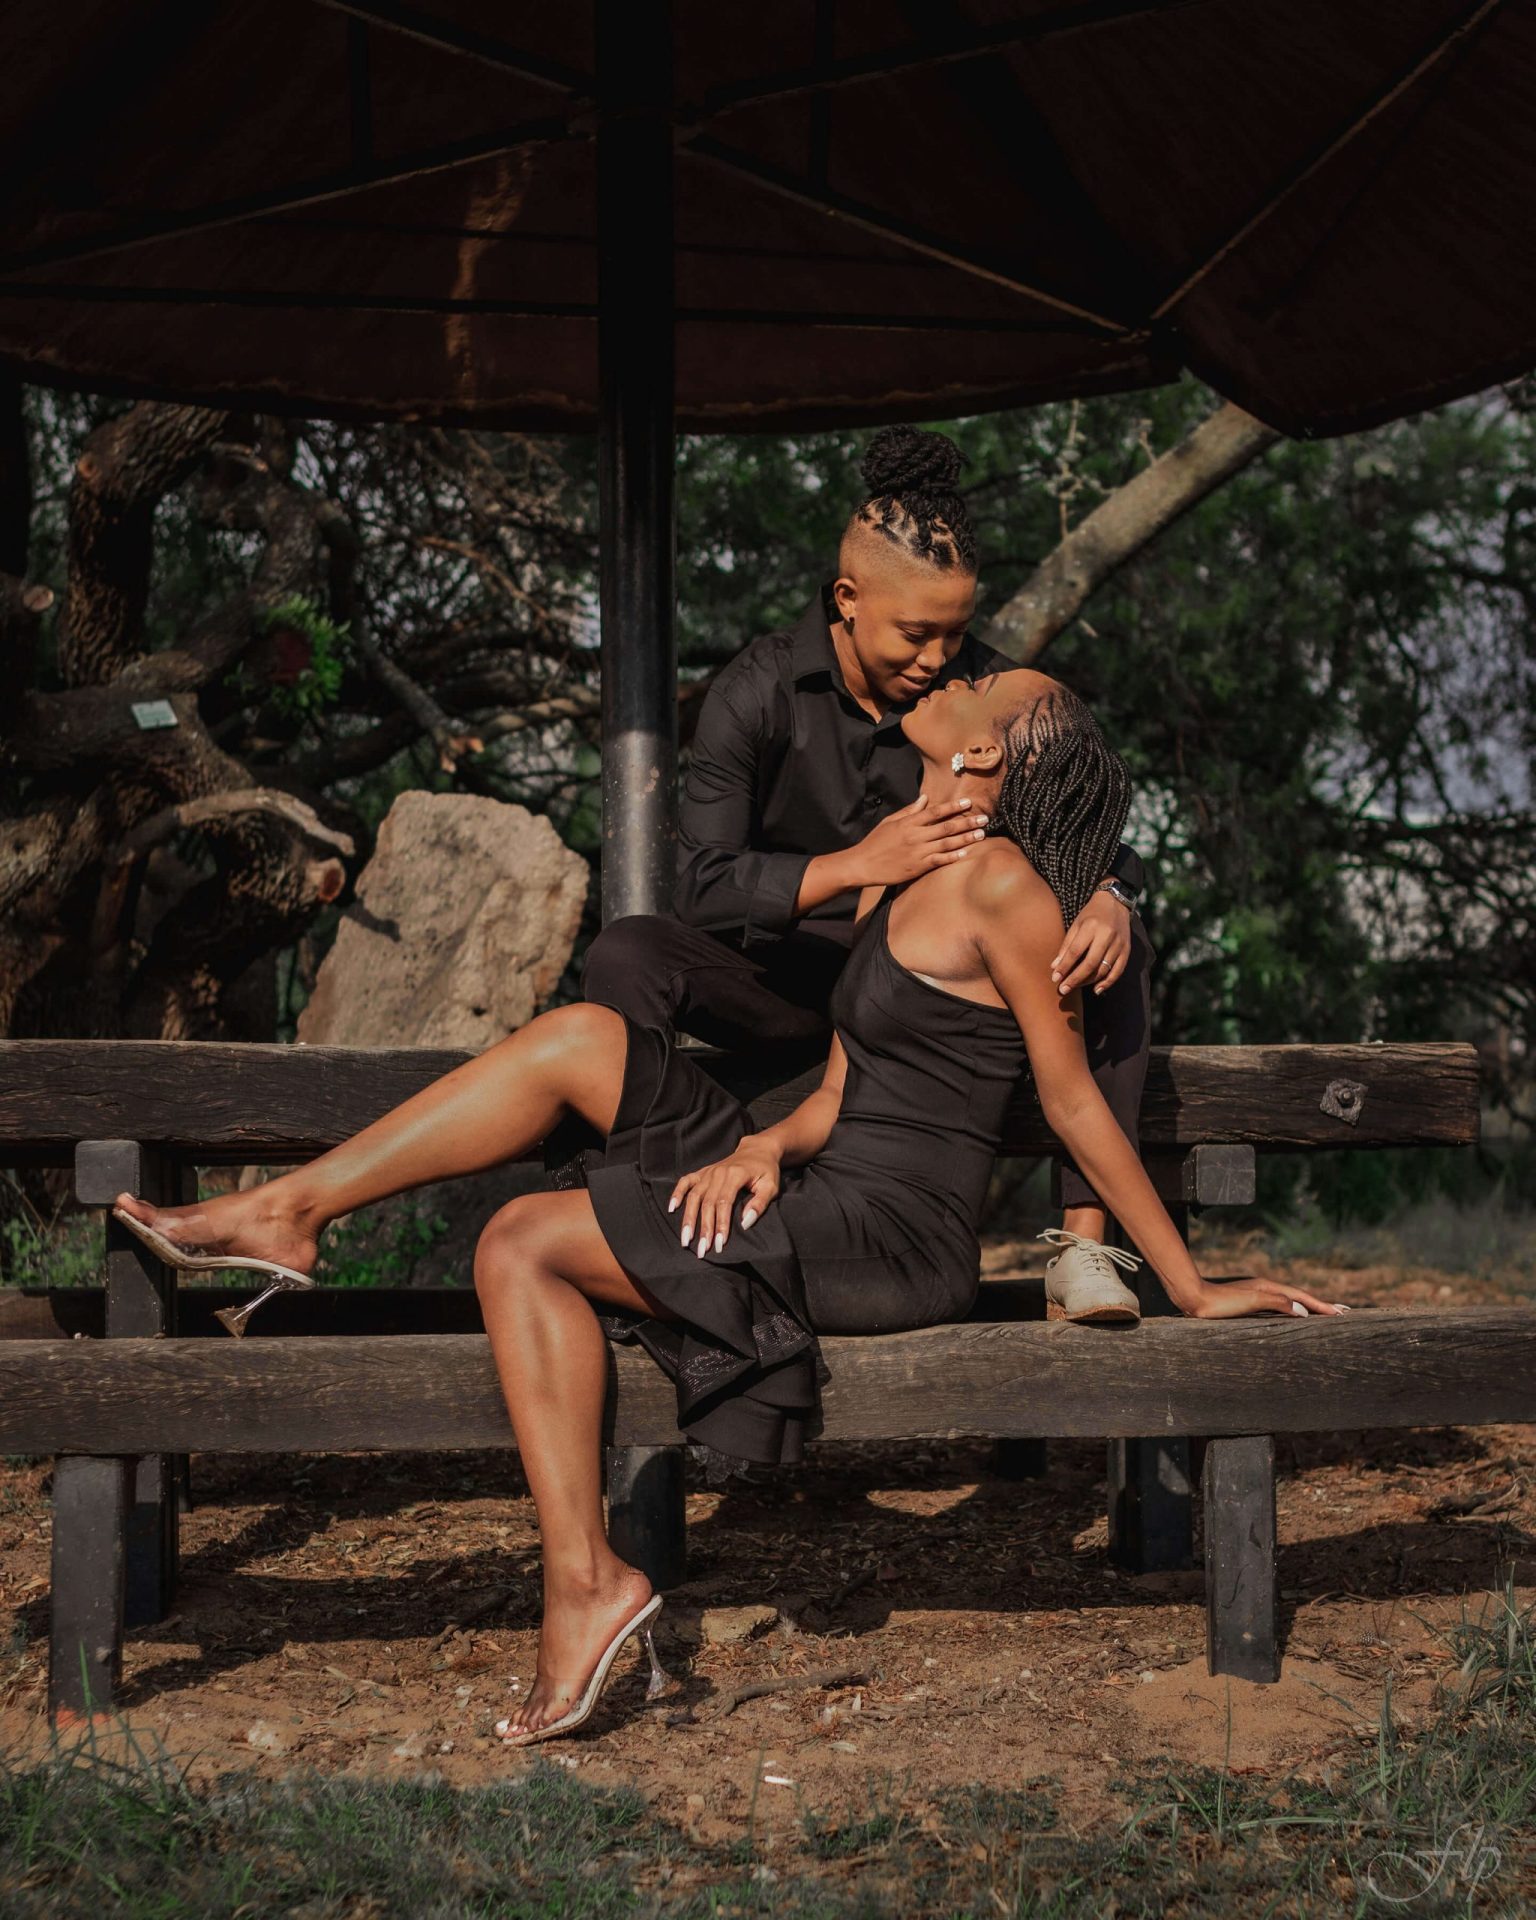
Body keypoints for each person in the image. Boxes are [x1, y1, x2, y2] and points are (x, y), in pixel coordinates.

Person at [113, 664, 1350, 1751]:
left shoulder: (1005, 890)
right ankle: (294, 1211)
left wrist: (1188, 1286)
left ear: (988, 753)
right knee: (581, 1036)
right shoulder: (911, 864)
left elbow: (1074, 1104)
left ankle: (584, 1585)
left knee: (521, 1242)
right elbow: (845, 1088)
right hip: (824, 1180)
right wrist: (761, 1145)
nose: (955, 679)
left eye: (981, 688)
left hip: (896, 1238)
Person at [552, 424, 1153, 1322]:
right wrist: (853, 867)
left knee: (1115, 947)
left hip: (920, 999)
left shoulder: (978, 696)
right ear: (847, 598)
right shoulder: (756, 690)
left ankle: (1085, 1245)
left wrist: (1114, 893)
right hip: (788, 983)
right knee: (629, 951)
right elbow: (700, 886)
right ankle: (632, 1203)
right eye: (915, 634)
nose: (938, 661)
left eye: (956, 634)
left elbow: (1076, 808)